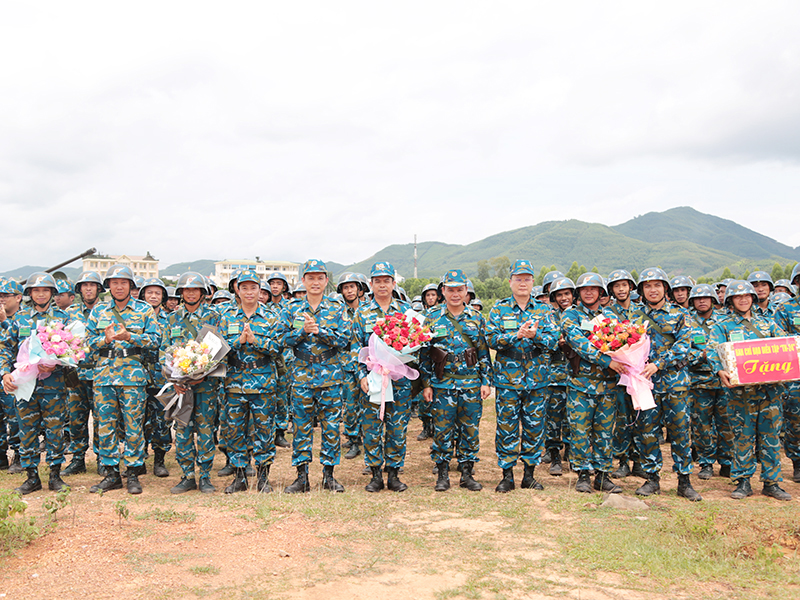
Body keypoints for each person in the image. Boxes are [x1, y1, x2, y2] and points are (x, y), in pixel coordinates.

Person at [708, 281, 791, 501]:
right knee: (742, 438)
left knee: (771, 438)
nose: (743, 300)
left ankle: (772, 482)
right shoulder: (722, 325)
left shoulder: (768, 323)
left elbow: (785, 346)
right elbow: (711, 351)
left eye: (747, 296)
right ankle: (743, 481)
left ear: (753, 298)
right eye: (738, 297)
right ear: (730, 301)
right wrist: (719, 371)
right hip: (740, 394)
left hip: (769, 392)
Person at [486, 259, 558, 492]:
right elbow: (491, 340)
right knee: (506, 426)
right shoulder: (499, 308)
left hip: (538, 380)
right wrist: (515, 336)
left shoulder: (544, 309)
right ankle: (507, 476)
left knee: (534, 426)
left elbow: (553, 341)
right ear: (510, 282)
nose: (523, 283)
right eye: (518, 279)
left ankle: (529, 475)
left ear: (533, 282)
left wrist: (536, 336)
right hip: (508, 380)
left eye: (527, 279)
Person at [86, 264, 159, 495]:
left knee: (133, 425)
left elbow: (156, 340)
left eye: (123, 282)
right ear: (108, 286)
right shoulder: (98, 311)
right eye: (114, 282)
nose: (119, 286)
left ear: (131, 286)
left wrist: (131, 336)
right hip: (104, 375)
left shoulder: (144, 309)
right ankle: (111, 474)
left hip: (133, 376)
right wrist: (103, 341)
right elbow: (87, 343)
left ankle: (133, 473)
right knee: (105, 425)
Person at [281, 260, 351, 493]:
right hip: (301, 376)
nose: (315, 282)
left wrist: (320, 331)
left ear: (326, 281)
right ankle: (302, 477)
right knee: (301, 426)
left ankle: (329, 476)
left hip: (330, 375)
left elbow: (344, 340)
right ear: (303, 280)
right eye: (310, 278)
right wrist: (302, 332)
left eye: (320, 278)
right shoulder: (292, 308)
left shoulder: (336, 307)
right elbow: (282, 340)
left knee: (331, 427)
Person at [420, 269, 493, 492]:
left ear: (466, 291)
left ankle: (467, 473)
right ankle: (442, 473)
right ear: (443, 291)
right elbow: (424, 354)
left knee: (470, 429)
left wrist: (486, 381)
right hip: (443, 384)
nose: (455, 294)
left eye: (459, 290)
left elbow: (483, 352)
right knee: (443, 429)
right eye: (450, 289)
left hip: (470, 383)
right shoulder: (432, 317)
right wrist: (427, 384)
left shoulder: (477, 318)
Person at [633, 268, 702, 501]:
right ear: (642, 290)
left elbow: (684, 345)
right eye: (647, 286)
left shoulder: (680, 314)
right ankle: (652, 479)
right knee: (648, 432)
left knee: (680, 432)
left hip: (675, 382)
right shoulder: (635, 317)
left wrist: (659, 364)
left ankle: (684, 481)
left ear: (665, 288)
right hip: (645, 384)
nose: (653, 290)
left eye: (657, 285)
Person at [0, 272, 72, 494]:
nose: (41, 294)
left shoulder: (63, 319)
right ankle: (32, 476)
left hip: (54, 384)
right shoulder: (19, 320)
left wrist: (56, 364)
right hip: (24, 385)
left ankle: (55, 475)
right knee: (27, 430)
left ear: (52, 293)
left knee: (54, 430)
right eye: (36, 290)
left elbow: (75, 350)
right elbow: (5, 348)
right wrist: (4, 374)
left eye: (45, 290)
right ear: (29, 294)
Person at [352, 261, 415, 492]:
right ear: (370, 284)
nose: (381, 285)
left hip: (399, 379)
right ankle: (376, 474)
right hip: (374, 378)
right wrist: (361, 375)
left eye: (386, 281)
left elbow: (416, 343)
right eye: (377, 281)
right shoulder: (362, 313)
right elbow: (354, 347)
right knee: (372, 427)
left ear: (393, 283)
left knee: (397, 428)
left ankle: (394, 474)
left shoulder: (405, 311)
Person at [560, 273, 626, 494]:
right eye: (585, 289)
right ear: (579, 292)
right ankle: (583, 475)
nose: (589, 292)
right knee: (579, 431)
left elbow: (622, 342)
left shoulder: (611, 316)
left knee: (605, 431)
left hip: (607, 385)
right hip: (581, 384)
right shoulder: (570, 315)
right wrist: (606, 361)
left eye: (594, 288)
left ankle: (603, 475)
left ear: (601, 293)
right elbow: (578, 342)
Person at [218, 270, 283, 494]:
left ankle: (264, 477)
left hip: (263, 381)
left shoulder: (272, 317)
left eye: (253, 287)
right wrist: (238, 341)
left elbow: (278, 348)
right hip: (235, 382)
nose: (248, 292)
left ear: (259, 290)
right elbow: (218, 349)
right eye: (244, 287)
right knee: (235, 431)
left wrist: (256, 342)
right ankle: (239, 477)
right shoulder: (227, 316)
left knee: (264, 430)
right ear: (237, 289)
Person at [162, 272, 222, 494]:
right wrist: (173, 378)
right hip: (180, 387)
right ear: (180, 293)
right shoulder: (172, 319)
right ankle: (187, 475)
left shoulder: (214, 317)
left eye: (195, 289)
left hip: (206, 386)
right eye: (186, 290)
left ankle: (205, 476)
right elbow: (163, 351)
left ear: (202, 292)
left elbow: (220, 350)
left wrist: (205, 374)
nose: (190, 293)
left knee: (206, 429)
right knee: (183, 429)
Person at [686, 284, 732, 479]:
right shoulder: (687, 322)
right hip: (698, 381)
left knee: (726, 423)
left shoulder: (725, 321)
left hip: (724, 381)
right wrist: (703, 355)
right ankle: (705, 462)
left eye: (706, 297)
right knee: (701, 424)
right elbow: (683, 350)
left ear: (713, 299)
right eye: (697, 298)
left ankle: (727, 461)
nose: (702, 301)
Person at [605, 269, 646, 480]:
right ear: (611, 289)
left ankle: (638, 460)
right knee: (621, 419)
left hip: (640, 374)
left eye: (624, 285)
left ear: (631, 287)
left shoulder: (643, 311)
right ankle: (621, 460)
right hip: (618, 375)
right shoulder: (606, 315)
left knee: (640, 417)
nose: (621, 289)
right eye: (616, 286)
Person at [62, 271, 104, 476]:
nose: (88, 289)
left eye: (92, 285)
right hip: (76, 374)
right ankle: (78, 459)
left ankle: (102, 459)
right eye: (84, 285)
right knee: (77, 418)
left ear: (98, 289)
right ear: (79, 290)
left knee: (101, 418)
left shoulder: (106, 311)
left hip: (100, 373)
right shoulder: (69, 313)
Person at [139, 277, 172, 479]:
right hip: (139, 377)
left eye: (157, 293)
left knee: (162, 420)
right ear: (143, 295)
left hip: (162, 379)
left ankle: (159, 460)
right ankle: (139, 458)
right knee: (137, 419)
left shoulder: (169, 321)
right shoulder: (136, 317)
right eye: (149, 292)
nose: (153, 296)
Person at [544, 277, 575, 476]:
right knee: (553, 419)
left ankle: (571, 454)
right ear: (554, 297)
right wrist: (557, 342)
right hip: (554, 376)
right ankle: (554, 456)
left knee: (573, 420)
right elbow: (543, 343)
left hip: (577, 376)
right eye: (559, 295)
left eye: (567, 294)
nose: (564, 298)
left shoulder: (582, 316)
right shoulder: (549, 317)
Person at [774, 263, 800, 483]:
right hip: (795, 376)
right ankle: (797, 462)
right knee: (795, 420)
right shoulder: (785, 309)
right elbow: (779, 342)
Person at [337, 272, 365, 459]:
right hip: (346, 363)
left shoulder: (367, 311)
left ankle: (367, 437)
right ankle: (354, 440)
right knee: (350, 404)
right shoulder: (338, 313)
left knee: (368, 404)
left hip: (367, 363)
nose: (349, 290)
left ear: (359, 289)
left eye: (352, 286)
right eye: (345, 287)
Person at [0, 277, 23, 472]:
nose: (1, 300)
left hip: (14, 375)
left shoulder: (23, 319)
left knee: (15, 416)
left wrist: (4, 322)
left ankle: (19, 454)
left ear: (18, 298)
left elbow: (22, 345)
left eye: (5, 296)